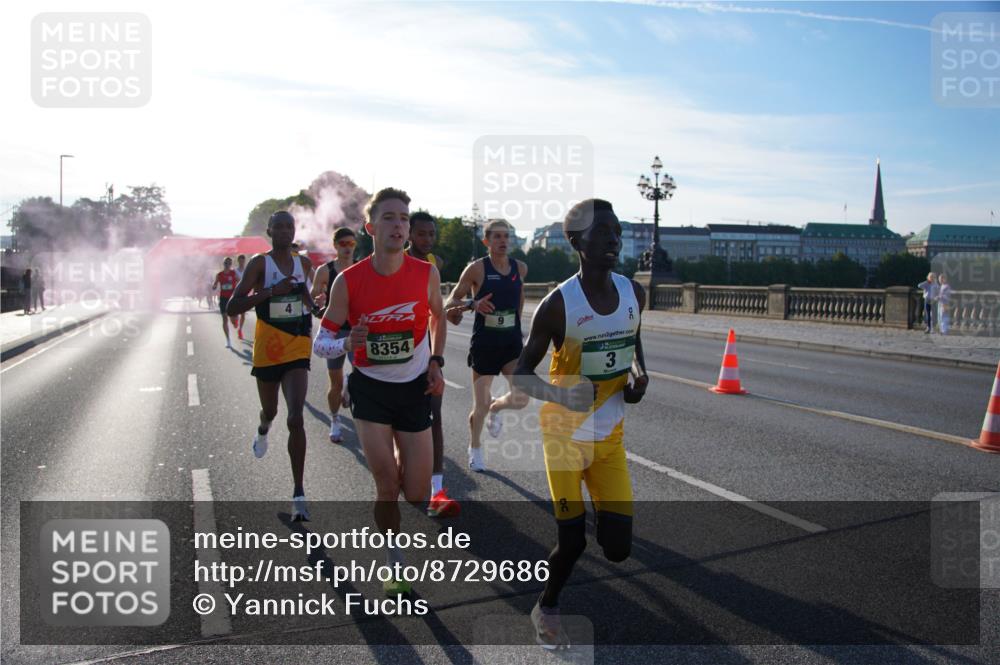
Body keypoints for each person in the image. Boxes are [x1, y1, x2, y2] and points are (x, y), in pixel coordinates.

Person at [513, 199, 648, 650]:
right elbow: (519, 374)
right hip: (564, 437)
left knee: (618, 548)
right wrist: (563, 393)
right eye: (602, 232)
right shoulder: (557, 305)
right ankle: (546, 607)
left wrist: (636, 375)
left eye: (617, 231)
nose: (614, 239)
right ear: (576, 242)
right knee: (572, 544)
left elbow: (633, 341)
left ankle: (590, 515)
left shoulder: (634, 293)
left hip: (609, 437)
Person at [313, 187, 446, 596]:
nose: (399, 224)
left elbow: (438, 317)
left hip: (412, 390)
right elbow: (322, 343)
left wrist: (436, 362)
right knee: (387, 486)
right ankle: (395, 564)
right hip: (370, 391)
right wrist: (348, 344)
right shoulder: (349, 282)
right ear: (371, 227)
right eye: (389, 217)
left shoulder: (425, 273)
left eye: (404, 218)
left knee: (418, 492)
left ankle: (396, 456)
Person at [227, 211, 321, 522]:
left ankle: (298, 494)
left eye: (288, 226)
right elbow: (233, 306)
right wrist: (268, 292)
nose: (283, 230)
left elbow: (305, 296)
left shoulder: (303, 264)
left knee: (296, 417)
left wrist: (317, 308)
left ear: (294, 231)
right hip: (268, 350)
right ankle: (263, 429)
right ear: (269, 231)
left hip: (297, 347)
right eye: (277, 226)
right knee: (272, 412)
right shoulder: (259, 264)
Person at [445, 219, 529, 472]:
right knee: (478, 406)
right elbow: (451, 301)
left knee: (521, 397)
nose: (503, 241)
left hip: (511, 341)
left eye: (506, 236)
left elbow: (520, 296)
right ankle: (475, 447)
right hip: (485, 343)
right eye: (497, 237)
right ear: (487, 241)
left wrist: (517, 326)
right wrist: (473, 304)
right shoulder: (476, 269)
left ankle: (497, 407)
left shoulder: (520, 268)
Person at [406, 212, 458, 518]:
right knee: (405, 424)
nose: (427, 240)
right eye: (422, 234)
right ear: (409, 234)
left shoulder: (432, 265)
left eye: (431, 234)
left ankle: (437, 490)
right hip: (399, 358)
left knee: (434, 417)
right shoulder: (395, 262)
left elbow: (436, 311)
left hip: (426, 352)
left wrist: (435, 358)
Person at [310, 227, 357, 443]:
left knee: (364, 377)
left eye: (351, 244)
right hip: (335, 331)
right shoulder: (325, 270)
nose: (348, 248)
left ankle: (352, 385)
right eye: (344, 244)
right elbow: (311, 299)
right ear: (335, 246)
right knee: (335, 382)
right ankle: (335, 419)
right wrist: (318, 305)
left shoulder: (362, 268)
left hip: (356, 330)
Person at [211, 257, 241, 348]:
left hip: (232, 298)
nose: (227, 265)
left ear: (231, 264)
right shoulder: (219, 275)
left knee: (233, 319)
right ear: (223, 264)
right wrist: (214, 286)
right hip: (223, 299)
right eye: (226, 263)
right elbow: (215, 284)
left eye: (229, 263)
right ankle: (228, 340)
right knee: (225, 319)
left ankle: (235, 321)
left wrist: (238, 291)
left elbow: (240, 282)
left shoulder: (233, 273)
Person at [234, 254, 247, 340]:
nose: (242, 262)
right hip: (236, 293)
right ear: (238, 261)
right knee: (236, 312)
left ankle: (240, 330)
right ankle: (235, 320)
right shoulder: (234, 271)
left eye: (243, 261)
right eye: (240, 261)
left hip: (244, 293)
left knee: (243, 314)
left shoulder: (247, 270)